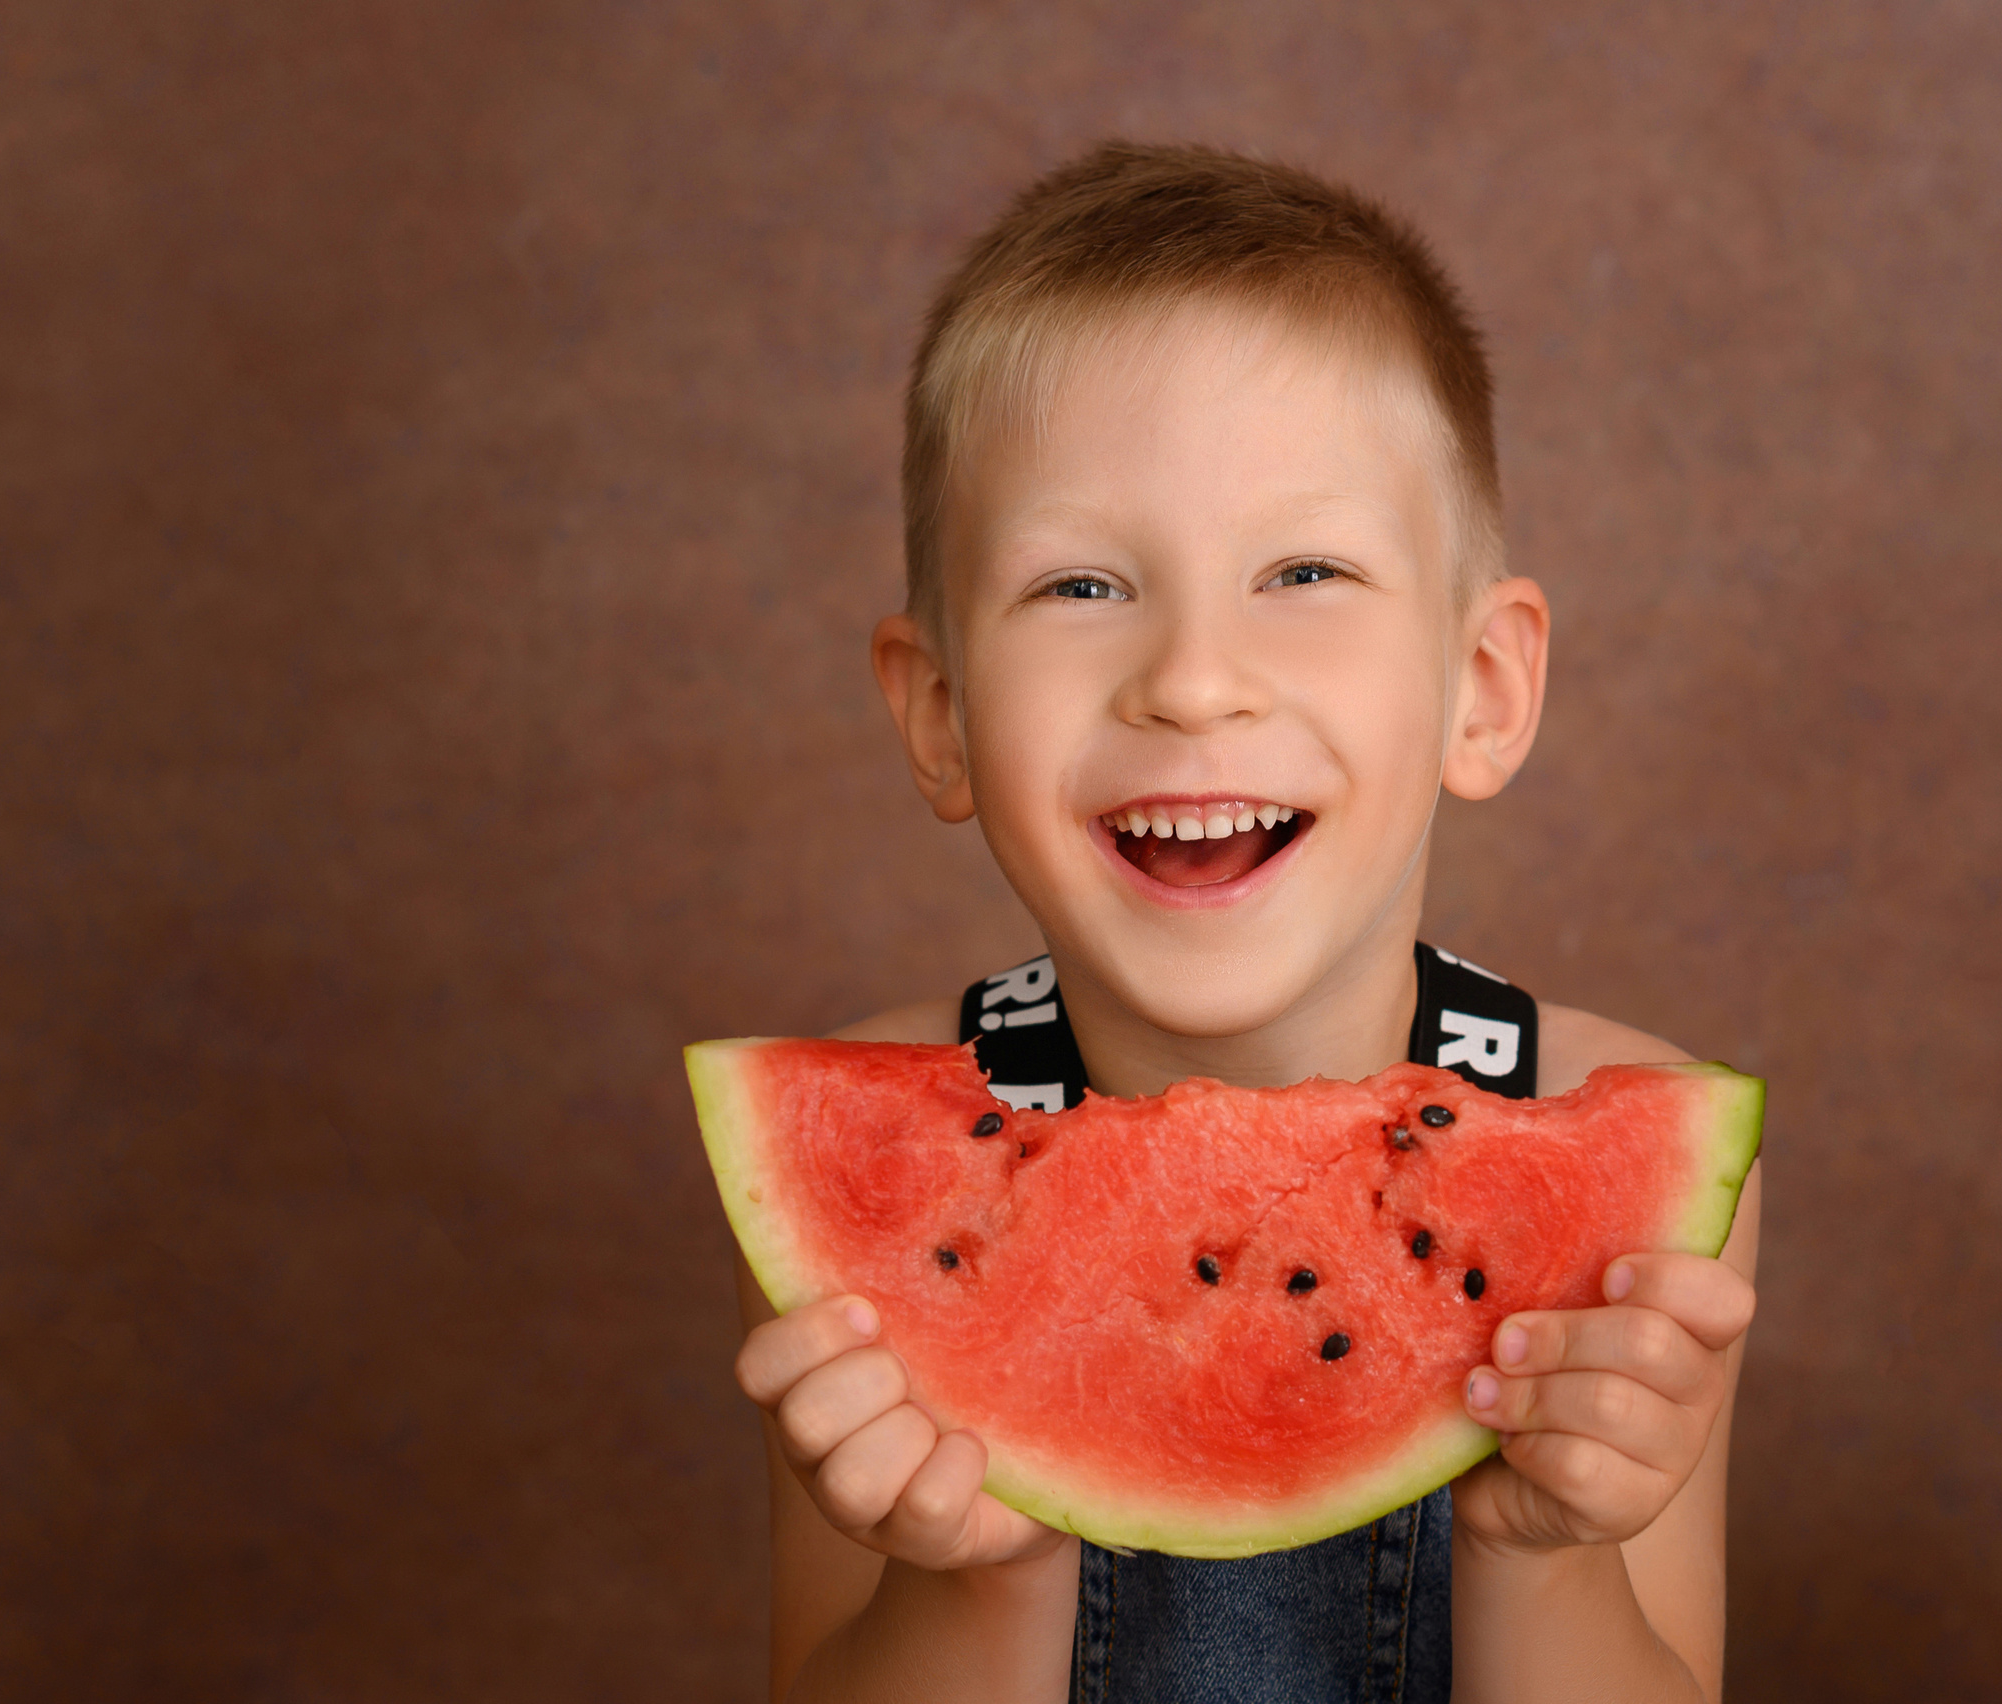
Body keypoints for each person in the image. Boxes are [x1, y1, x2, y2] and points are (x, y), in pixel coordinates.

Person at [730, 141, 1762, 1704]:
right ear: (938, 715)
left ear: (1482, 691)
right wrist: (982, 1570)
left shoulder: (1615, 1141)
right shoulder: (878, 1148)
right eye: (1081, 587)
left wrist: (1545, 1553)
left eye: (1305, 569)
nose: (1195, 678)